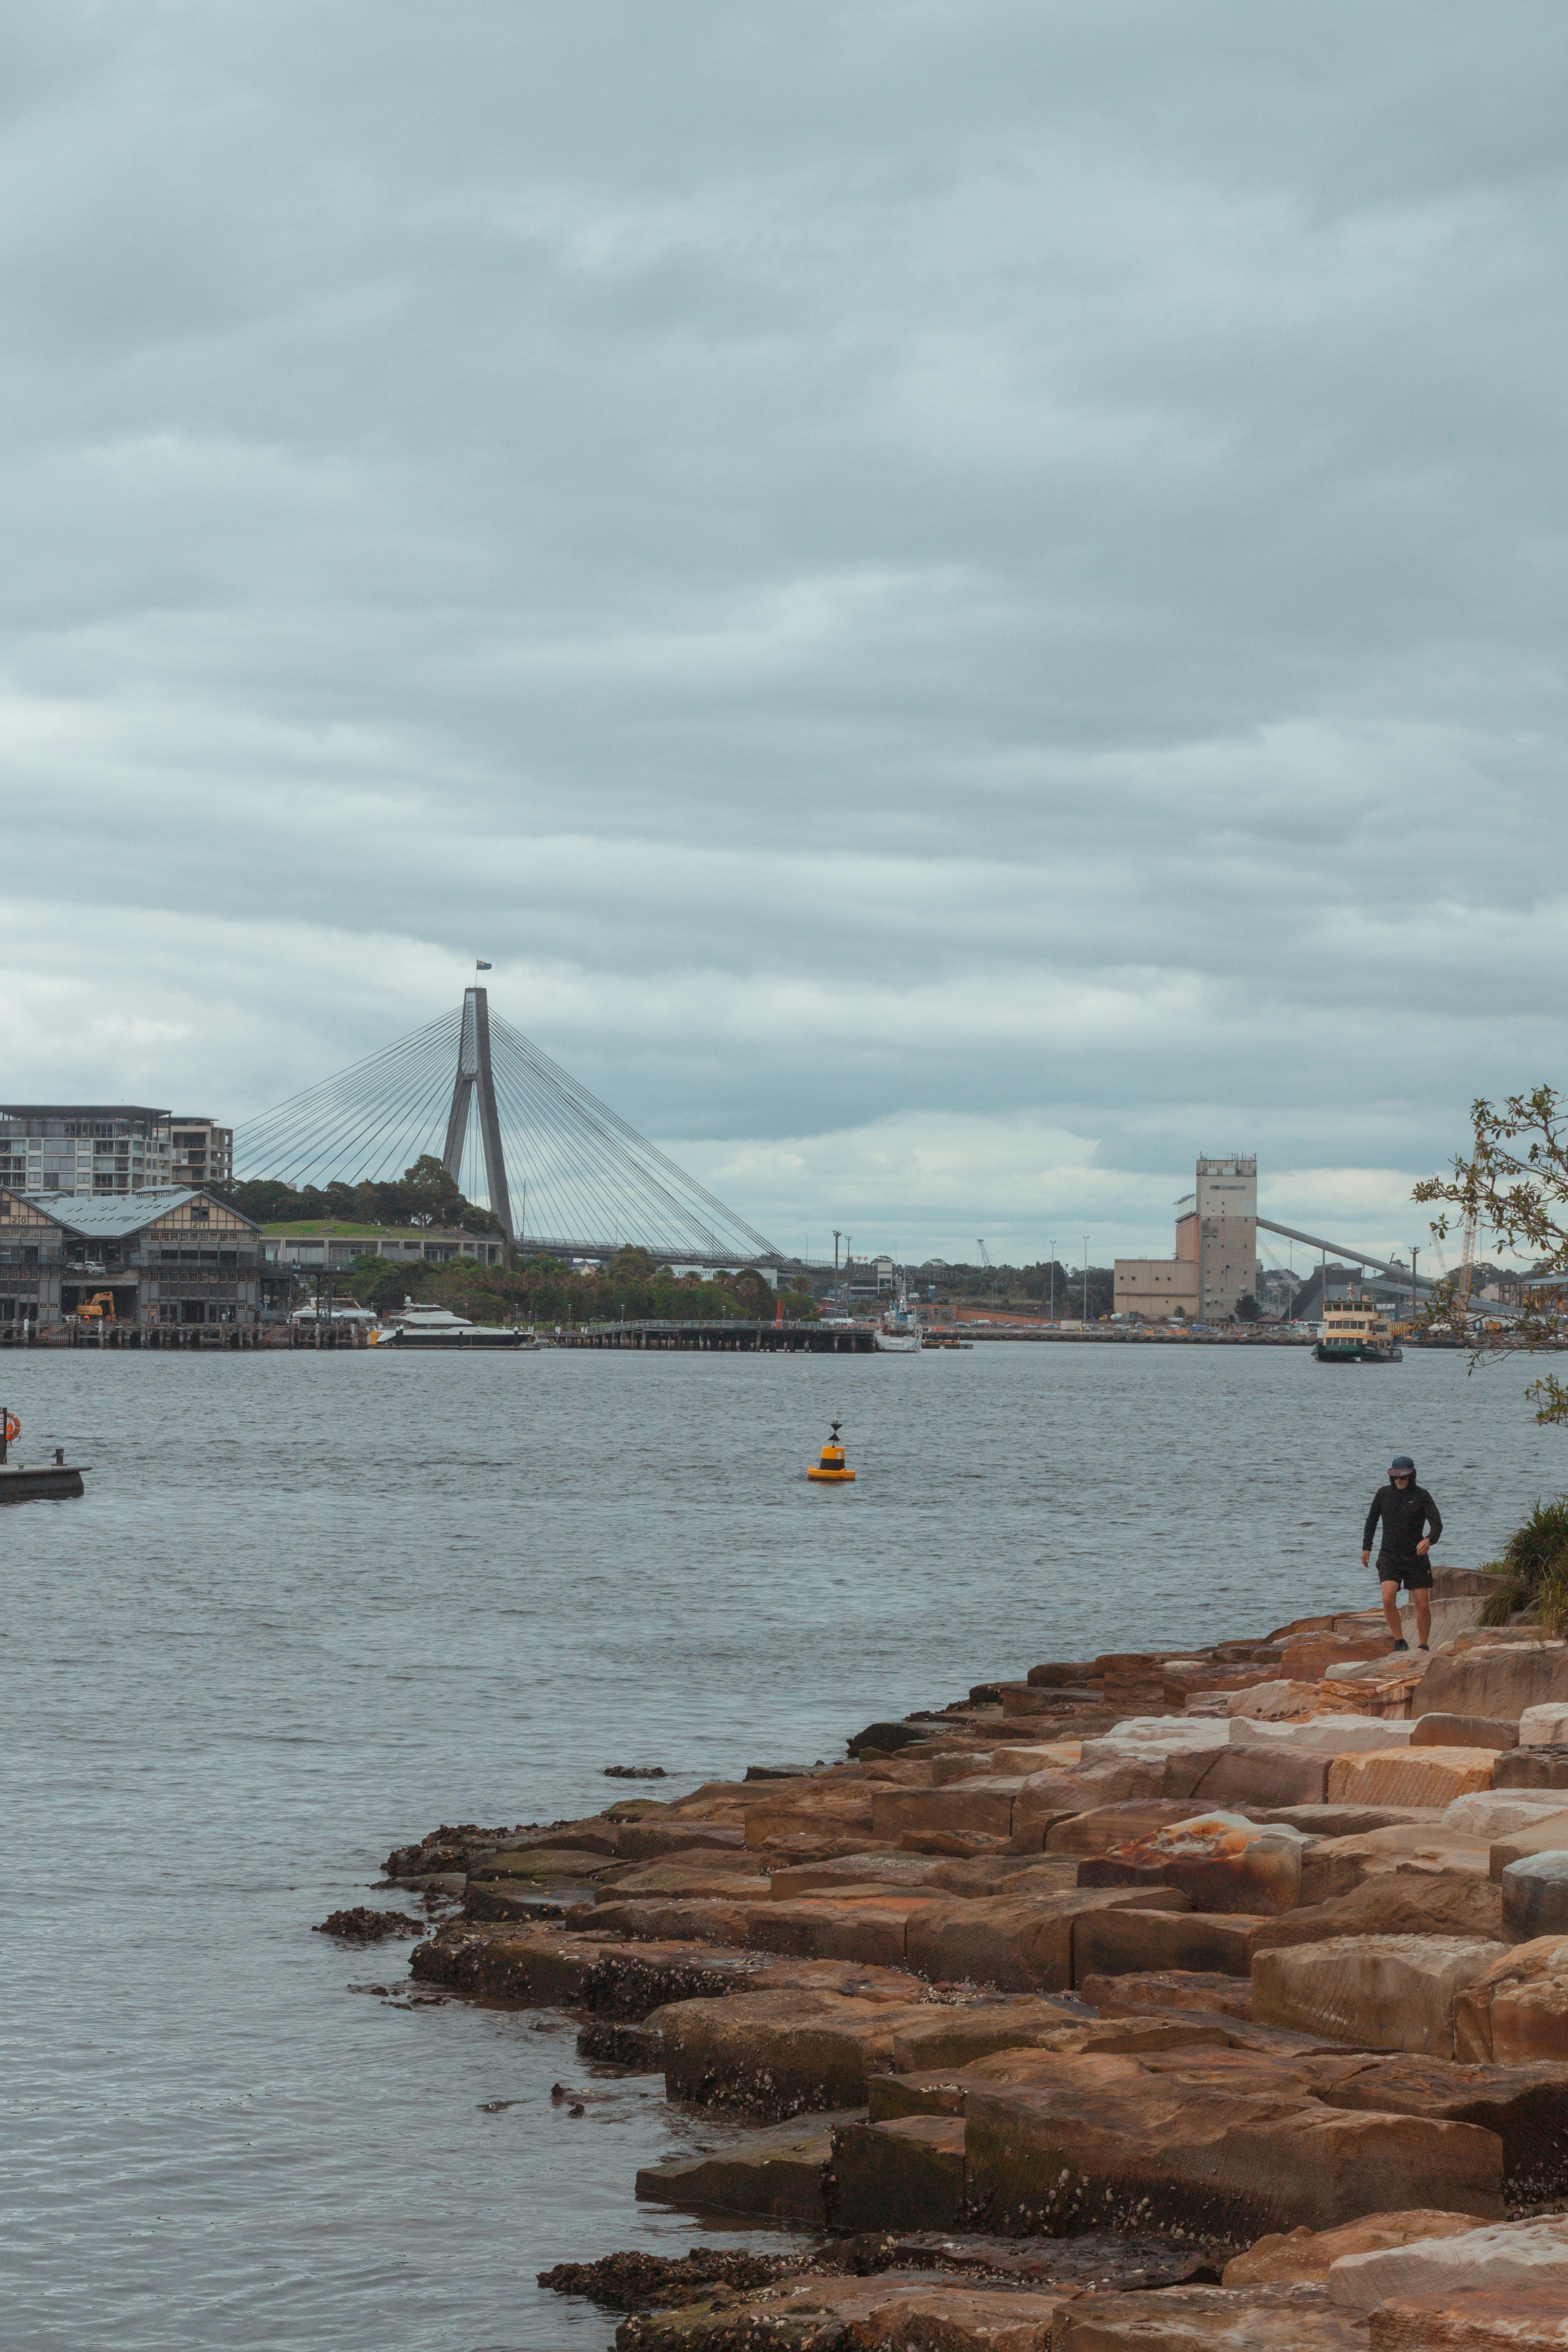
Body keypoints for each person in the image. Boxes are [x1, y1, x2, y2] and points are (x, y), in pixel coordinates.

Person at [1362, 1454, 1443, 1651]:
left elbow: (1437, 1524)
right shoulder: (1383, 1494)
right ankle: (1399, 1641)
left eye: (1403, 1477)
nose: (1399, 1481)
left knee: (1422, 1604)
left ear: (1412, 1476)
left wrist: (1429, 1540)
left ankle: (1423, 1646)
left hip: (1416, 1557)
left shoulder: (1422, 1496)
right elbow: (1371, 1521)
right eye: (1396, 1477)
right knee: (1388, 1598)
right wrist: (1366, 1547)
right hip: (1389, 1556)